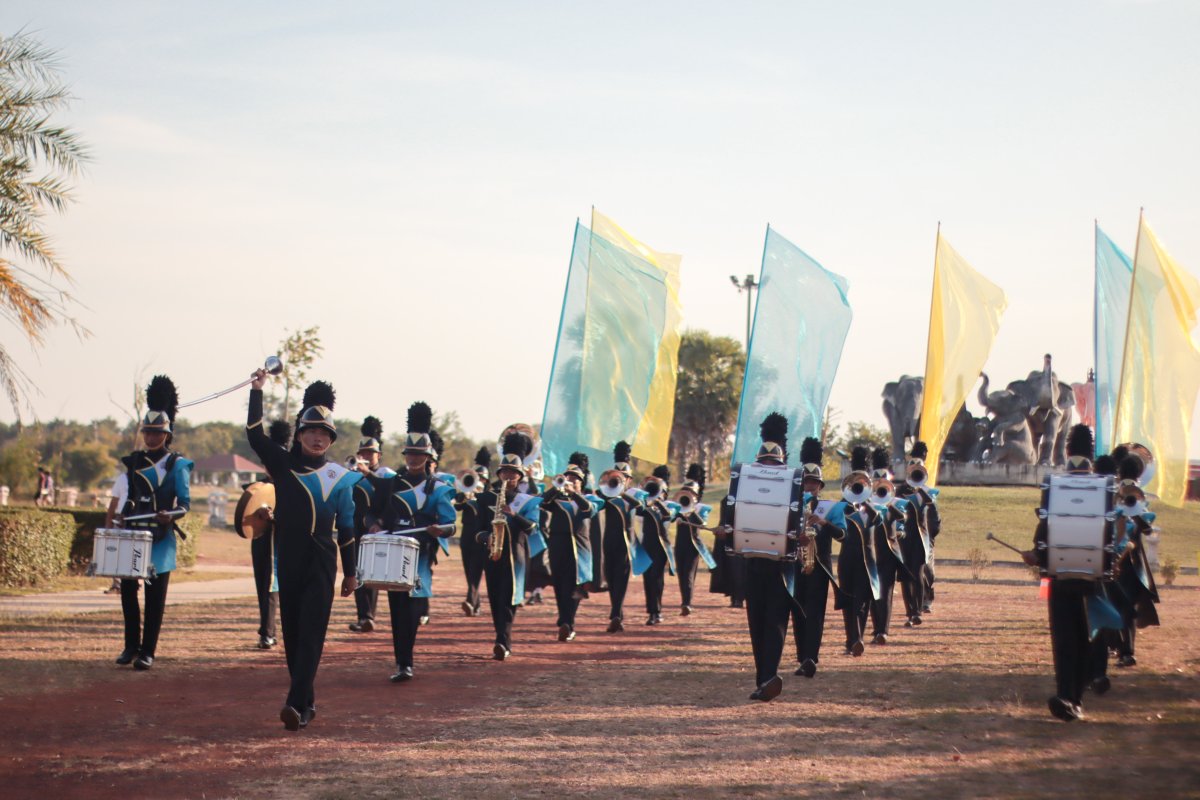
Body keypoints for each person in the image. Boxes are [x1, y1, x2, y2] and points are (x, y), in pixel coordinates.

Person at [246, 374, 359, 731]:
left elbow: (348, 527)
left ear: (331, 439)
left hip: (322, 561)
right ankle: (306, 704)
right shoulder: (283, 465)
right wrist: (257, 391)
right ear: (299, 434)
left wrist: (351, 572)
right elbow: (254, 435)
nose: (317, 437)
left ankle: (294, 704)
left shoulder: (340, 477)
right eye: (310, 431)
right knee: (293, 635)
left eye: (324, 433)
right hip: (289, 557)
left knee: (312, 632)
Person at [365, 403, 456, 681]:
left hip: (421, 554)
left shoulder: (439, 489)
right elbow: (370, 511)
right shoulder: (391, 483)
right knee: (397, 609)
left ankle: (407, 659)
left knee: (413, 608)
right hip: (394, 552)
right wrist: (374, 524)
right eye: (411, 454)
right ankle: (402, 663)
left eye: (420, 454)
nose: (414, 459)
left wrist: (439, 530)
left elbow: (451, 524)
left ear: (428, 457)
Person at [1021, 424, 1106, 722]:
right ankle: (1075, 697)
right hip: (1094, 577)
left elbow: (1046, 527)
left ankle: (1068, 696)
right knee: (1086, 636)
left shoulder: (1056, 485)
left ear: (1067, 450)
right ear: (1091, 453)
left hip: (1059, 575)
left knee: (1065, 639)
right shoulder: (1103, 486)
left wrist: (1036, 554)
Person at [113, 376, 192, 671]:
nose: (151, 437)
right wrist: (121, 516)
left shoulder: (178, 465)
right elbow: (131, 498)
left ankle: (148, 651)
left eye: (157, 432)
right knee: (128, 592)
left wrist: (169, 515)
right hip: (133, 533)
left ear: (167, 434)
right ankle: (130, 646)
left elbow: (185, 504)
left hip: (160, 537)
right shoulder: (134, 462)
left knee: (154, 596)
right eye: (147, 432)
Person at [717, 413, 798, 701]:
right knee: (756, 622)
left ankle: (769, 677)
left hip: (782, 567)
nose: (768, 468)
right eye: (765, 463)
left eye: (773, 464)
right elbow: (732, 520)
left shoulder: (793, 485)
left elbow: (798, 520)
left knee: (775, 622)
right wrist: (724, 531)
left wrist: (803, 534)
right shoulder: (744, 483)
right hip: (753, 562)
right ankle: (763, 679)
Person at [476, 430, 541, 660]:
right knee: (495, 598)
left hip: (516, 556)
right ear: (499, 473)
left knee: (509, 598)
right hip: (493, 554)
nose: (508, 476)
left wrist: (513, 514)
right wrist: (487, 537)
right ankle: (500, 636)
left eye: (513, 473)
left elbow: (532, 528)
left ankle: (503, 641)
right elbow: (477, 531)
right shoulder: (485, 499)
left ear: (520, 477)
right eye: (505, 472)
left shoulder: (528, 501)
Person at [791, 436, 844, 679]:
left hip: (819, 566)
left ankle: (811, 657)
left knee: (815, 613)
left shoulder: (831, 508)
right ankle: (802, 656)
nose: (809, 486)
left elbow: (842, 535)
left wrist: (823, 522)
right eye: (806, 482)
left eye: (814, 482)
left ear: (820, 486)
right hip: (795, 565)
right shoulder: (791, 506)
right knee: (798, 612)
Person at [348, 416, 397, 634]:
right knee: (357, 571)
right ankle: (365, 616)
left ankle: (368, 615)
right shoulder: (354, 475)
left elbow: (391, 497)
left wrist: (381, 521)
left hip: (378, 528)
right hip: (356, 528)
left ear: (379, 455)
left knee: (373, 572)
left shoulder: (386, 475)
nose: (366, 456)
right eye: (363, 453)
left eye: (370, 453)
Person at [540, 452, 596, 641]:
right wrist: (556, 488)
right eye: (568, 478)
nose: (570, 481)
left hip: (580, 547)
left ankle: (568, 622)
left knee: (576, 585)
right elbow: (542, 501)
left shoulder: (590, 499)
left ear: (582, 482)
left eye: (575, 479)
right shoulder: (557, 500)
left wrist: (574, 493)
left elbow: (588, 510)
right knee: (559, 584)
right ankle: (564, 619)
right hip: (558, 545)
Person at [248, 419, 293, 649]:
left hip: (283, 542)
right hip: (261, 541)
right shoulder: (259, 487)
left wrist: (274, 518)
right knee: (264, 586)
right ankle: (267, 631)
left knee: (274, 587)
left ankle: (269, 632)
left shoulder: (291, 485)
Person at [834, 448, 881, 657]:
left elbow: (878, 521)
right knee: (848, 600)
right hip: (847, 559)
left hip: (867, 561)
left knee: (863, 601)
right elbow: (837, 527)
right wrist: (849, 500)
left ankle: (858, 638)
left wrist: (867, 502)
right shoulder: (843, 506)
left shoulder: (873, 507)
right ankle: (851, 639)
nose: (859, 486)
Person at [596, 441, 645, 634]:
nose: (621, 480)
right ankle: (617, 613)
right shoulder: (607, 493)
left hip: (627, 542)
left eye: (624, 477)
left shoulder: (635, 494)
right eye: (618, 477)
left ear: (629, 479)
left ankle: (616, 613)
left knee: (622, 577)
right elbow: (596, 504)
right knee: (610, 576)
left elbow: (641, 508)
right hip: (609, 540)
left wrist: (623, 493)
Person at [895, 441, 939, 628]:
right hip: (904, 538)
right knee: (905, 577)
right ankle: (910, 612)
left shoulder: (928, 492)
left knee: (919, 573)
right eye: (911, 466)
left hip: (921, 538)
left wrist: (920, 488)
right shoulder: (899, 491)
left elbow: (933, 511)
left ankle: (918, 611)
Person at [868, 447, 907, 645]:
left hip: (888, 553)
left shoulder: (896, 503)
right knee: (872, 594)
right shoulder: (864, 501)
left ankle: (882, 631)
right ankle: (876, 628)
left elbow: (903, 520)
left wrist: (889, 502)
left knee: (885, 593)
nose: (880, 484)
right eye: (877, 480)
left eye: (884, 480)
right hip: (869, 553)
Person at [672, 463, 716, 617]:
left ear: (696, 495)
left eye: (690, 492)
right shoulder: (679, 505)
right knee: (681, 574)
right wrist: (677, 512)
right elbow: (670, 518)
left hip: (693, 545)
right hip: (680, 544)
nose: (688, 494)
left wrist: (692, 510)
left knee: (689, 574)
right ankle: (685, 601)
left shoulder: (701, 508)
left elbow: (702, 523)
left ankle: (687, 603)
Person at [636, 465, 676, 626]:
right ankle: (651, 612)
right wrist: (646, 498)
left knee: (657, 577)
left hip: (661, 545)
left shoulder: (671, 505)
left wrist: (658, 502)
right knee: (648, 577)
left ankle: (657, 611)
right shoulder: (646, 504)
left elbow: (668, 516)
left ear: (665, 492)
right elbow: (638, 512)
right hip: (647, 543)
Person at [456, 447, 492, 617]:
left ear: (486, 480)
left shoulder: (489, 495)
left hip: (481, 535)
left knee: (476, 568)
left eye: (482, 478)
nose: (479, 481)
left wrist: (479, 497)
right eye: (476, 477)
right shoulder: (467, 492)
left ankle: (471, 600)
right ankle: (475, 603)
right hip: (466, 534)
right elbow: (457, 506)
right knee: (468, 569)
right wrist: (465, 495)